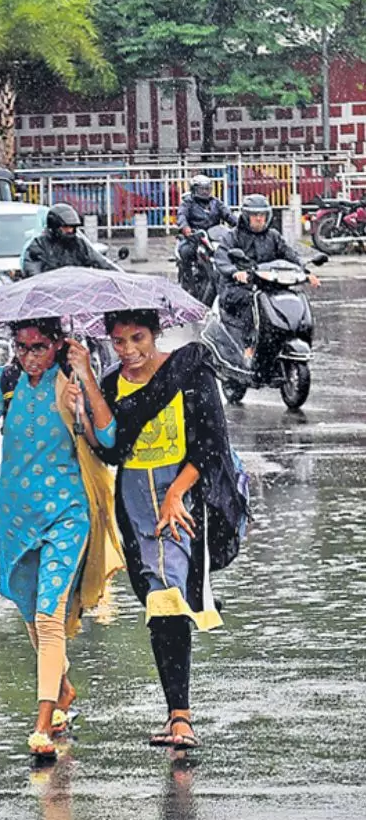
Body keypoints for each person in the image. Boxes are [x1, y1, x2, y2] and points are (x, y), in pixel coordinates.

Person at [0, 319, 124, 760]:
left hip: (66, 515)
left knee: (48, 615)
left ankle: (43, 721)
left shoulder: (72, 380)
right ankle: (63, 688)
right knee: (29, 610)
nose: (29, 356)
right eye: (21, 347)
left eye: (39, 347)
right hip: (15, 519)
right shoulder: (6, 380)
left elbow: (110, 438)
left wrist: (86, 392)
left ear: (58, 344)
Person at [89, 309, 249, 751]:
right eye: (119, 342)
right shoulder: (109, 384)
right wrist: (83, 397)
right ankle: (177, 714)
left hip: (182, 498)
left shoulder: (190, 370)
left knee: (168, 596)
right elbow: (111, 450)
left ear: (156, 333)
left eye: (138, 338)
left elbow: (211, 443)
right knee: (157, 600)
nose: (129, 351)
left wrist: (177, 493)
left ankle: (181, 717)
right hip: (134, 504)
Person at [213, 194, 319, 359]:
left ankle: (294, 336)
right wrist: (235, 272)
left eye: (262, 215)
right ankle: (248, 344)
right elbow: (222, 257)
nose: (259, 219)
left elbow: (290, 254)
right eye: (255, 215)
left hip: (268, 284)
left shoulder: (273, 236)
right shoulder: (233, 236)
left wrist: (306, 271)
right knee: (251, 300)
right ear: (246, 216)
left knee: (293, 297)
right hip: (238, 286)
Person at [21, 203, 119, 276]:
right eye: (65, 227)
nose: (69, 230)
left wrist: (120, 276)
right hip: (50, 295)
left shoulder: (80, 244)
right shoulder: (39, 245)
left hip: (77, 293)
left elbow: (99, 261)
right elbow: (33, 272)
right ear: (54, 226)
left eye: (72, 227)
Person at [175, 175, 235, 277]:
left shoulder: (215, 203)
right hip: (195, 236)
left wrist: (242, 225)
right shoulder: (188, 202)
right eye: (201, 189)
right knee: (186, 252)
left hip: (213, 236)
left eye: (207, 189)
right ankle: (189, 279)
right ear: (194, 190)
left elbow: (228, 215)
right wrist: (185, 228)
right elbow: (182, 216)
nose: (204, 192)